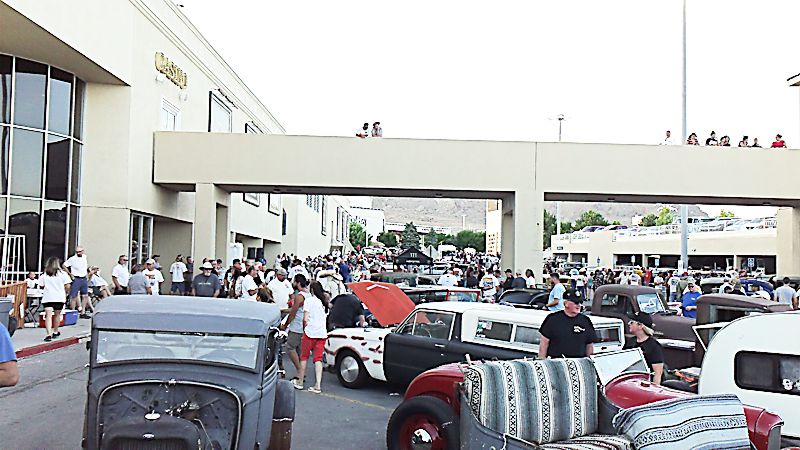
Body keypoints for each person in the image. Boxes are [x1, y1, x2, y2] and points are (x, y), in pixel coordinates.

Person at [538, 289, 596, 358]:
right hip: (556, 363)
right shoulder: (552, 319)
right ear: (566, 303)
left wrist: (591, 363)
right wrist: (541, 361)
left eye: (580, 302)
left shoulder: (586, 321)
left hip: (579, 363)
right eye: (576, 303)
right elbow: (544, 344)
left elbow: (589, 345)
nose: (579, 305)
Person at [297, 281, 329, 393]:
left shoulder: (309, 301)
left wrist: (304, 328)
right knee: (318, 359)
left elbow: (305, 318)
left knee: (304, 357)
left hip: (310, 332)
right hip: (321, 333)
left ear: (312, 290)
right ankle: (317, 385)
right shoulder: (324, 302)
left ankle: (300, 382)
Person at [282, 274, 309, 389]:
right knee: (300, 351)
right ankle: (302, 372)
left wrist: (286, 324)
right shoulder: (309, 294)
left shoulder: (299, 296)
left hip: (297, 326)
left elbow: (293, 312)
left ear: (297, 282)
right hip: (305, 325)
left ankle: (300, 372)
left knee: (290, 347)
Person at [38, 257, 71, 342]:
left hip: (48, 297)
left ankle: (48, 334)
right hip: (59, 297)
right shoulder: (63, 274)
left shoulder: (45, 274)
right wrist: (65, 291)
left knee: (48, 316)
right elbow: (67, 286)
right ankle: (55, 331)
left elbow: (41, 285)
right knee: (57, 315)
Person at [626, 311, 664, 385]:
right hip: (630, 381)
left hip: (645, 383)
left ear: (640, 326)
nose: (628, 324)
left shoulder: (654, 346)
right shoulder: (631, 341)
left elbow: (658, 373)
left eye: (632, 322)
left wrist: (653, 390)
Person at [64, 246, 91, 318]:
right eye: (77, 252)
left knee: (85, 295)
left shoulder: (84, 257)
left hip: (83, 277)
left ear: (83, 251)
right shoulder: (72, 259)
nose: (78, 253)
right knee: (74, 296)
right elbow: (64, 265)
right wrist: (70, 274)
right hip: (76, 278)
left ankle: (83, 312)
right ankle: (72, 311)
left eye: (80, 251)